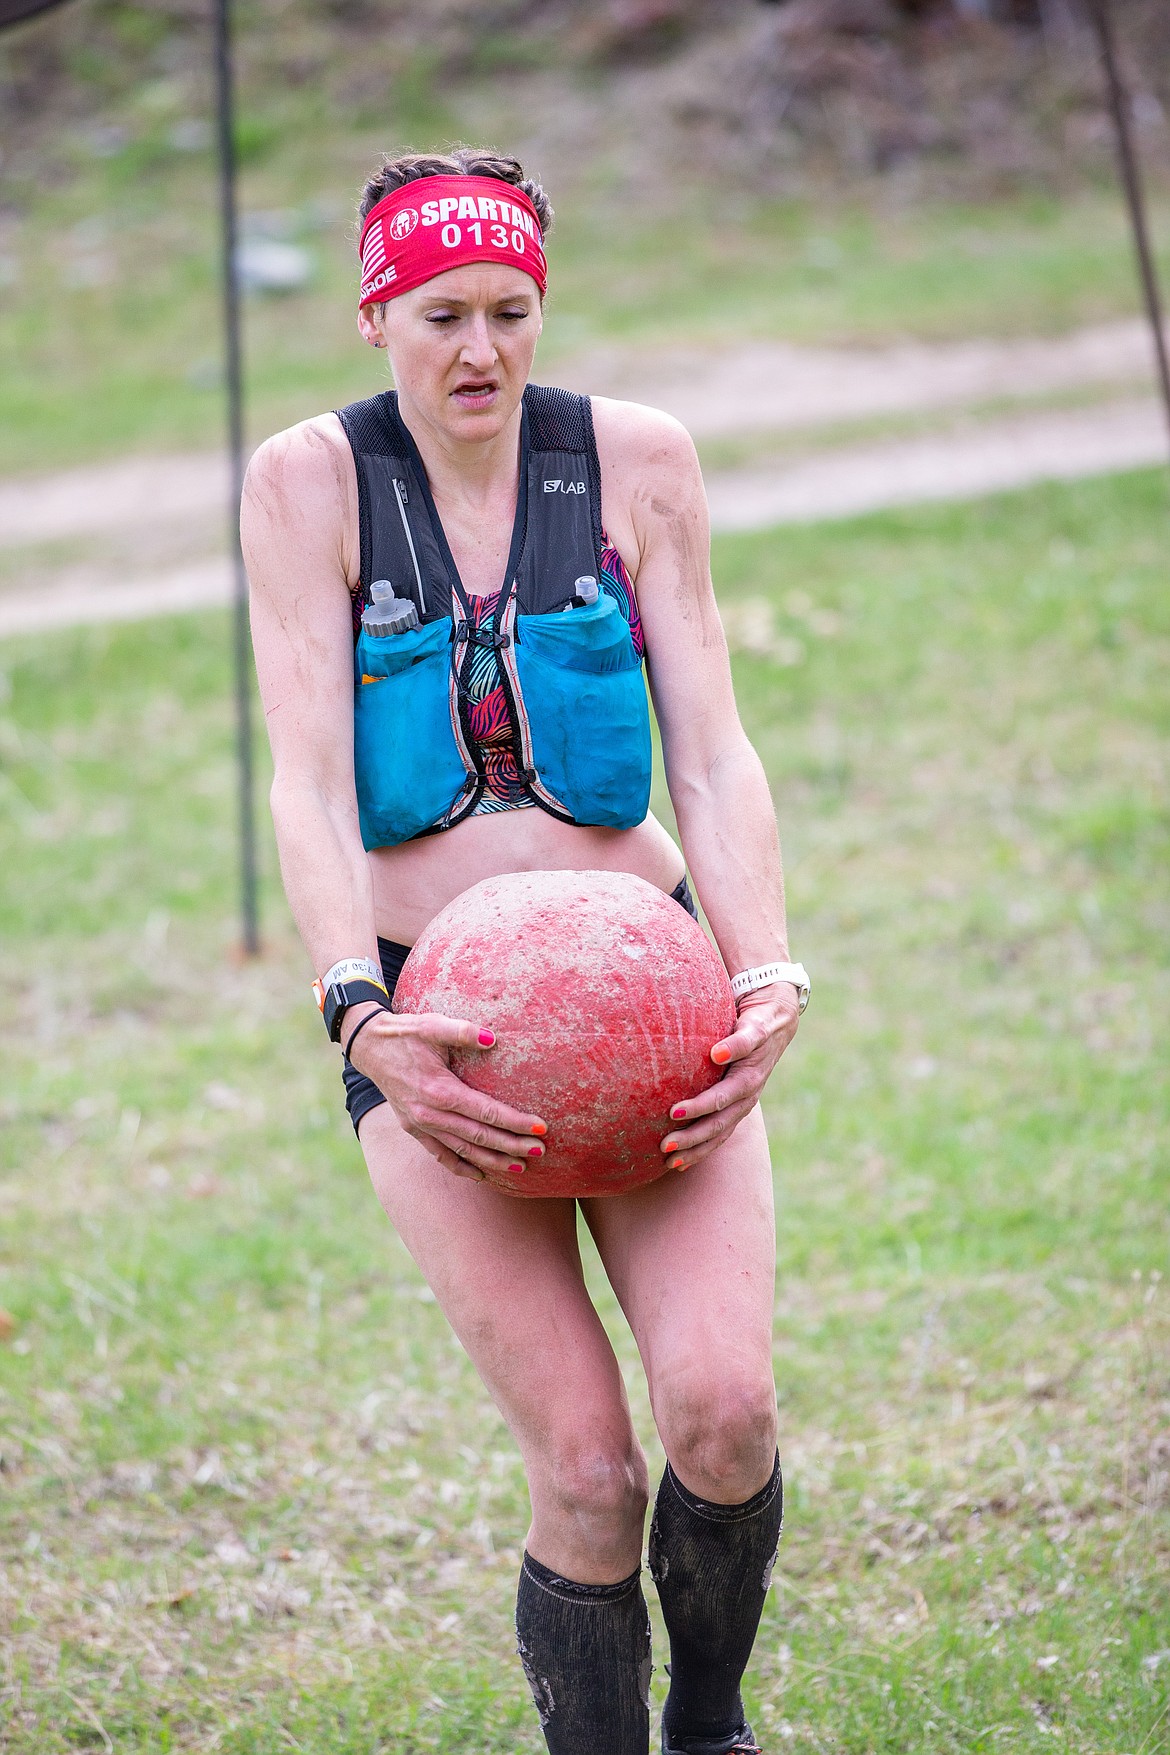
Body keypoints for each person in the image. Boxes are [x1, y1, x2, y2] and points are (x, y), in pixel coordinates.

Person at [242, 147, 810, 1755]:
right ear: (373, 314)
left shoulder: (637, 460)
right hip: (437, 1029)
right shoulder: (307, 483)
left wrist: (763, 968)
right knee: (582, 1462)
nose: (479, 349)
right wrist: (357, 1008)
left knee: (720, 1408)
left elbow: (711, 748)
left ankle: (709, 1727)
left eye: (509, 310)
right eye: (441, 315)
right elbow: (305, 773)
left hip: (658, 1001)